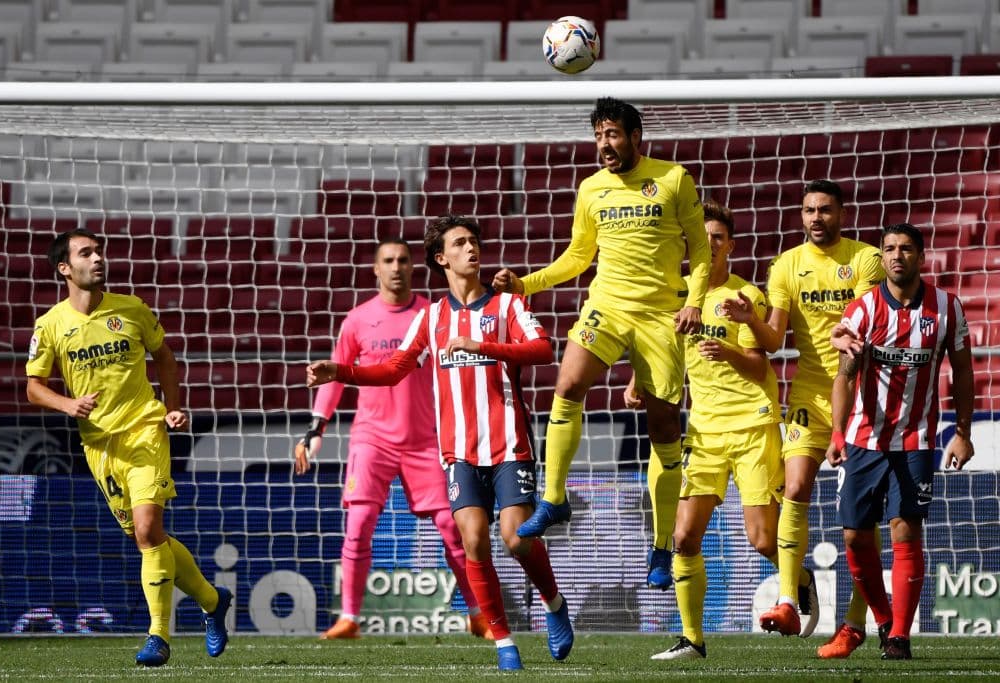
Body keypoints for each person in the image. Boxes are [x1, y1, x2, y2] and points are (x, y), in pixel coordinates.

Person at [306, 216, 574, 671]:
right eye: (460, 243)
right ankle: (504, 644)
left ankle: (554, 604)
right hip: (457, 452)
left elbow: (544, 349)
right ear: (441, 258)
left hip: (508, 443)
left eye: (474, 241)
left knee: (515, 539)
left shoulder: (507, 305)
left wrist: (482, 347)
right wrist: (343, 373)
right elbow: (393, 368)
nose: (471, 249)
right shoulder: (431, 317)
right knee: (472, 539)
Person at [493, 97, 710, 590]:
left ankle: (660, 545)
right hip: (606, 307)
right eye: (598, 136)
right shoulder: (591, 189)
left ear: (636, 135)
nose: (604, 145)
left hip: (660, 314)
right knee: (567, 385)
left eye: (612, 135)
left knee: (661, 428)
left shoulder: (673, 178)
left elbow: (699, 249)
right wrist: (523, 285)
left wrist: (693, 301)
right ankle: (554, 498)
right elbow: (576, 257)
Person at [25, 229, 232, 667]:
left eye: (99, 251)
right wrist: (68, 403)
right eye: (86, 253)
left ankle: (158, 636)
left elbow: (166, 359)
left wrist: (172, 409)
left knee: (146, 529)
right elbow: (33, 387)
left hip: (144, 430)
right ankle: (214, 602)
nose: (97, 259)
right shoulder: (50, 325)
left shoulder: (132, 309)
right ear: (64, 267)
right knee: (147, 538)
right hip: (99, 446)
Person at [293, 238, 489, 640]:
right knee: (359, 523)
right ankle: (349, 618)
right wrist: (316, 427)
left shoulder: (433, 314)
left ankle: (477, 612)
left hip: (426, 438)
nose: (396, 267)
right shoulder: (358, 319)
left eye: (402, 260)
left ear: (414, 266)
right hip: (372, 438)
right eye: (388, 261)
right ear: (376, 270)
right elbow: (335, 378)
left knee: (452, 528)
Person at [722, 179, 884, 653]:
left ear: (842, 213)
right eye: (810, 210)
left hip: (863, 397)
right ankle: (790, 599)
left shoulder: (865, 259)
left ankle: (854, 622)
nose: (817, 218)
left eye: (826, 210)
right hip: (809, 395)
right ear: (802, 215)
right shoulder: (786, 265)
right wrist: (751, 320)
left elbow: (865, 325)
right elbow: (773, 341)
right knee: (794, 488)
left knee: (860, 516)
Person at [632, 200, 784, 660]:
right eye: (703, 237)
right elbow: (663, 350)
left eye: (718, 237)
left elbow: (761, 366)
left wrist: (727, 349)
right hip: (703, 432)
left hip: (754, 424)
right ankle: (692, 639)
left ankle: (796, 577)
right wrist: (638, 382)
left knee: (761, 540)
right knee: (683, 537)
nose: (710, 244)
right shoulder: (678, 297)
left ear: (730, 245)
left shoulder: (746, 297)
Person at [827, 222, 974, 660]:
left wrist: (962, 432)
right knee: (855, 538)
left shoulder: (947, 308)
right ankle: (884, 617)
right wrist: (837, 434)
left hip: (917, 439)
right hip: (863, 441)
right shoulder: (863, 310)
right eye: (888, 249)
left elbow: (963, 371)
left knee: (905, 531)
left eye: (905, 248)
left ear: (920, 256)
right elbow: (843, 377)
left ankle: (900, 637)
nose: (896, 256)